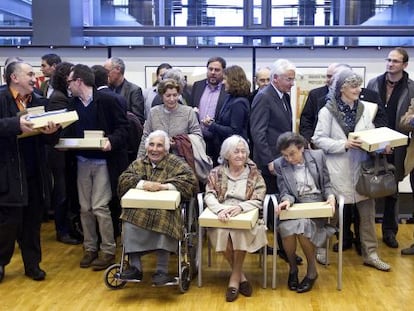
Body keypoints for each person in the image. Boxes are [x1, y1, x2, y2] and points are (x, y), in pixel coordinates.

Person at [312, 68, 391, 271]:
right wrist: (343, 144)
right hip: (336, 170)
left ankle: (371, 254)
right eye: (353, 86)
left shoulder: (366, 108)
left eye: (358, 85)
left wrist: (382, 145)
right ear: (341, 89)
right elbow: (318, 139)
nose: (358, 89)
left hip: (362, 169)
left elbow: (371, 134)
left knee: (367, 215)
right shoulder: (327, 111)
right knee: (331, 214)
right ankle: (320, 249)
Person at [0, 61, 60, 282]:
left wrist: (52, 132)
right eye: (29, 74)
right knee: (8, 222)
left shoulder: (40, 102)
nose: (35, 78)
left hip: (34, 171)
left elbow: (50, 140)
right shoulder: (1, 98)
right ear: (14, 78)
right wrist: (16, 125)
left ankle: (32, 265)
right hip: (8, 172)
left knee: (32, 222)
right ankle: (1, 263)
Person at [65, 64, 129, 271]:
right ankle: (90, 248)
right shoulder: (71, 104)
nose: (68, 85)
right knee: (85, 208)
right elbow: (67, 132)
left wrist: (111, 140)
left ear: (79, 81)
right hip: (82, 161)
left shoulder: (110, 100)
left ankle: (108, 250)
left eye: (69, 81)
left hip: (104, 162)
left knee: (100, 207)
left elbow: (124, 129)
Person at [117, 130, 198, 285]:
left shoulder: (175, 163)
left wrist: (164, 187)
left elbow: (190, 182)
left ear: (166, 149)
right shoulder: (139, 163)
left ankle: (162, 270)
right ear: (147, 147)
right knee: (128, 218)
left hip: (165, 210)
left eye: (159, 145)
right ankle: (135, 268)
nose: (155, 149)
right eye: (152, 145)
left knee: (164, 219)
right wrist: (143, 184)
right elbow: (124, 180)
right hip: (141, 209)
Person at [249, 59, 302, 264]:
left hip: (282, 160)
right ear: (276, 78)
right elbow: (258, 132)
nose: (292, 83)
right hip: (269, 163)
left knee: (283, 203)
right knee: (272, 207)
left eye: (293, 79)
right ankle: (272, 247)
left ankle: (284, 248)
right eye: (289, 79)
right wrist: (269, 160)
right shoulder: (264, 97)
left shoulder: (284, 96)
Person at [204, 135, 267, 302]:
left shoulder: (254, 174)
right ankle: (241, 276)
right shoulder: (216, 172)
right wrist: (219, 210)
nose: (240, 155)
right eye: (236, 152)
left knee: (239, 233)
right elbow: (209, 195)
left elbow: (259, 198)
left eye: (243, 152)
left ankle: (234, 280)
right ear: (226, 154)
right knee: (221, 232)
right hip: (222, 213)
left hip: (245, 213)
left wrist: (240, 207)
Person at [273, 132, 336, 293]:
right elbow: (284, 191)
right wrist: (286, 201)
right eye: (285, 155)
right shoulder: (280, 164)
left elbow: (327, 183)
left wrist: (330, 196)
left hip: (317, 205)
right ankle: (293, 268)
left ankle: (311, 270)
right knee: (286, 228)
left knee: (302, 228)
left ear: (302, 148)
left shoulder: (318, 156)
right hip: (296, 205)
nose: (289, 159)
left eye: (292, 154)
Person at [366, 47, 414, 249]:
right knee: (367, 186)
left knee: (392, 189)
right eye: (388, 60)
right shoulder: (373, 83)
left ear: (404, 65)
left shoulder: (411, 87)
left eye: (395, 61)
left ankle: (389, 231)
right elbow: (366, 113)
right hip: (373, 143)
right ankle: (365, 234)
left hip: (399, 145)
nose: (390, 64)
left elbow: (409, 119)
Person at [46, 61, 81, 245]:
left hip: (62, 151)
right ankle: (62, 230)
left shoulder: (60, 95)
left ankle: (67, 228)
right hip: (58, 152)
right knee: (62, 192)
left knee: (65, 191)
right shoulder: (59, 98)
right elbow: (59, 127)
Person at [137, 78, 202, 158]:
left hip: (182, 161)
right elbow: (145, 137)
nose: (172, 99)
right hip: (157, 160)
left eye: (175, 95)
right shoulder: (153, 112)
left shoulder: (188, 112)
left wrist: (179, 143)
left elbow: (198, 136)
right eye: (168, 96)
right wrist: (139, 160)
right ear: (161, 96)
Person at [202, 65, 250, 164]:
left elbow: (234, 131)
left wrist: (212, 125)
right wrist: (213, 122)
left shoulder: (239, 103)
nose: (223, 82)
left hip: (234, 152)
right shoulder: (230, 98)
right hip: (223, 148)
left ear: (233, 81)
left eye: (225, 79)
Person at [191, 56, 227, 166]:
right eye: (210, 69)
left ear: (223, 71)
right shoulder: (198, 85)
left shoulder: (227, 89)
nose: (213, 72)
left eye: (217, 70)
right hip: (199, 140)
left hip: (219, 140)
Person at [104, 57, 145, 125]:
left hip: (127, 131)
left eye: (107, 71)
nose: (106, 75)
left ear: (118, 69)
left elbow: (138, 119)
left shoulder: (134, 90)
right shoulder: (104, 90)